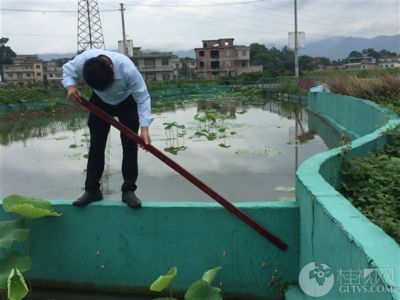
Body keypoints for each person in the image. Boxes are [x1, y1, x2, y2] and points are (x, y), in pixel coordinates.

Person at [62, 49, 153, 209]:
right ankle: (92, 191)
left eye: (109, 84)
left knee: (129, 144)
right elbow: (67, 71)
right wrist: (70, 86)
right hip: (99, 102)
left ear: (112, 72)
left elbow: (142, 97)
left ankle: (128, 191)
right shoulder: (83, 61)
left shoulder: (127, 69)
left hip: (126, 101)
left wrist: (144, 129)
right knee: (96, 145)